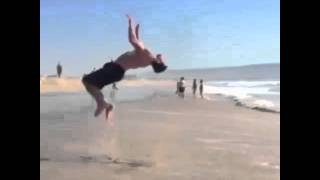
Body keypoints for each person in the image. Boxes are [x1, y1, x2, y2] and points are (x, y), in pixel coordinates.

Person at [82, 15, 167, 119]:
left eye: (163, 61)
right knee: (91, 83)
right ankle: (106, 105)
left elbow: (133, 41)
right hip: (116, 71)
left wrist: (130, 24)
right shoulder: (147, 60)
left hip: (114, 70)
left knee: (87, 80)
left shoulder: (147, 54)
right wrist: (137, 32)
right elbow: (138, 45)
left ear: (158, 62)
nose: (163, 58)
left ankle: (102, 104)